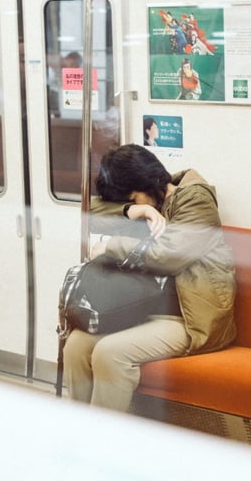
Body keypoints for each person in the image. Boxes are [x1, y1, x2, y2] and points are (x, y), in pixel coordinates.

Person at [64, 144, 236, 411]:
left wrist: (113, 246)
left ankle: (102, 444)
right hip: (140, 309)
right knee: (76, 345)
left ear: (151, 182)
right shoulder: (147, 202)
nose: (131, 204)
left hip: (188, 318)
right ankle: (77, 434)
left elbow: (170, 255)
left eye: (134, 199)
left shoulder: (195, 200)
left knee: (110, 353)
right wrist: (137, 211)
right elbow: (91, 213)